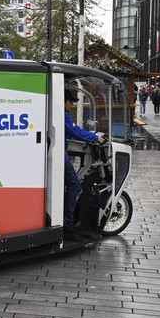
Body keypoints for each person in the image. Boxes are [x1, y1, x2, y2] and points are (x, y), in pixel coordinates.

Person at [63, 89, 105, 232]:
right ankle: (67, 219)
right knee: (74, 184)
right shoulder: (62, 115)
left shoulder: (57, 113)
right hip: (59, 158)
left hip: (56, 155)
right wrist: (95, 138)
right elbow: (76, 132)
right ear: (64, 102)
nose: (72, 105)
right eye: (71, 102)